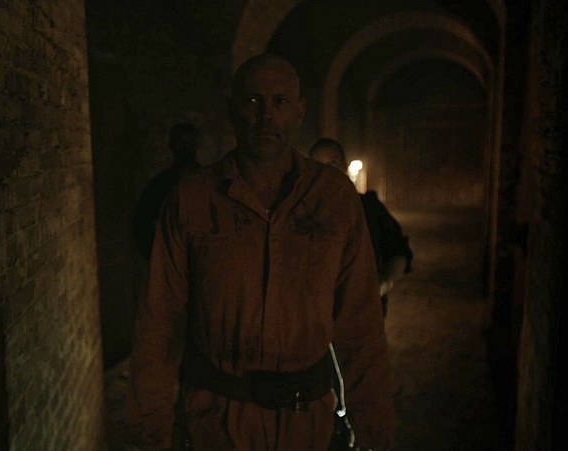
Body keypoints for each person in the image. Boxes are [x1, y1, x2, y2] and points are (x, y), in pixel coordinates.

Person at [125, 53, 394, 451]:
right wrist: (152, 434)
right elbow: (159, 323)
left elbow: (360, 325)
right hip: (217, 425)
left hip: (306, 426)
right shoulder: (192, 199)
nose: (267, 116)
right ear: (232, 110)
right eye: (253, 101)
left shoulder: (334, 199)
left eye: (280, 102)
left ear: (299, 112)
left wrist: (373, 433)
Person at [308, 137, 413, 317]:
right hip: (317, 316)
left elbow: (398, 250)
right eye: (318, 166)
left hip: (364, 314)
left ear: (344, 166)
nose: (327, 172)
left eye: (333, 163)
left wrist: (382, 285)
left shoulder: (369, 208)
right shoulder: (303, 213)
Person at [132, 122, 202, 260]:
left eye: (190, 142)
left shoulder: (208, 182)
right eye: (182, 143)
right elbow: (142, 223)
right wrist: (158, 257)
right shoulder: (160, 186)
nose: (186, 147)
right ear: (172, 145)